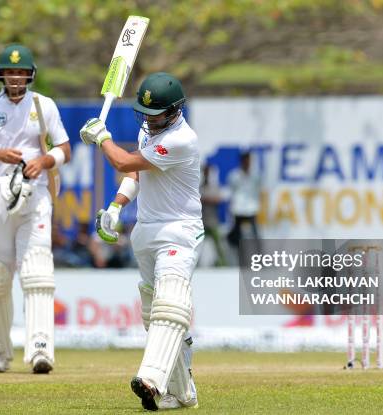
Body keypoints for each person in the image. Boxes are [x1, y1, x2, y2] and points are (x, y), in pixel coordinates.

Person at [80, 72, 202, 410]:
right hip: (146, 230)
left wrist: (103, 138)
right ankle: (182, 394)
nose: (148, 119)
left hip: (179, 230)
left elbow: (123, 160)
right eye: (144, 113)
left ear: (175, 110)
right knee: (154, 313)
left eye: (155, 113)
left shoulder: (181, 139)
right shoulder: (150, 130)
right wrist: (117, 205)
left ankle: (151, 379)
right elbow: (135, 172)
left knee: (171, 304)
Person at [0, 44, 71, 374]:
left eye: (21, 72)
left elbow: (65, 148)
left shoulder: (44, 105)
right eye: (10, 72)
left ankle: (41, 349)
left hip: (36, 193)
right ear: (1, 74)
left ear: (29, 75)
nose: (15, 77)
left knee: (37, 270)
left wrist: (44, 160)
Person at [226, 151, 262, 260]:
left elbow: (257, 191)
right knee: (237, 236)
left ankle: (260, 259)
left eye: (249, 160)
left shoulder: (255, 175)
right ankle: (240, 258)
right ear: (242, 161)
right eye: (245, 160)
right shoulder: (234, 175)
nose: (247, 163)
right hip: (238, 209)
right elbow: (231, 192)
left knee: (255, 236)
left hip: (251, 209)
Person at [200, 164, 227, 266]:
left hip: (213, 220)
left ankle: (222, 263)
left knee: (218, 244)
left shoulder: (214, 187)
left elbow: (218, 199)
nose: (206, 174)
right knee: (197, 244)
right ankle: (195, 264)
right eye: (204, 171)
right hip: (202, 221)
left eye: (207, 171)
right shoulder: (200, 186)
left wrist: (206, 200)